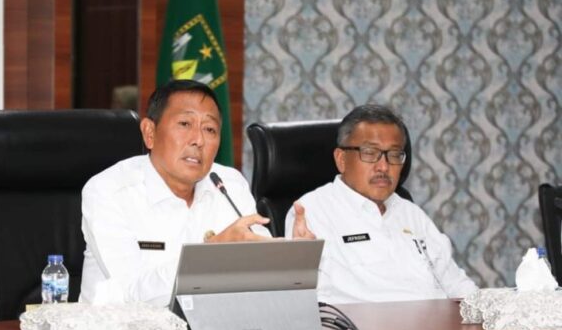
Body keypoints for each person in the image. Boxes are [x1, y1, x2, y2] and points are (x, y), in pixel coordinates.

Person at [80, 79, 312, 307]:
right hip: (125, 329)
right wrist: (212, 255)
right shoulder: (108, 191)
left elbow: (261, 269)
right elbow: (131, 293)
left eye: (209, 129)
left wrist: (292, 259)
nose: (198, 140)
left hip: (214, 326)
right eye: (184, 124)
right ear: (150, 133)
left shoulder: (229, 185)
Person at [285, 105, 478, 304]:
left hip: (438, 321)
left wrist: (489, 310)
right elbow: (307, 304)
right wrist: (299, 267)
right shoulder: (313, 212)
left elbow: (458, 285)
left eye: (394, 154)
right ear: (341, 159)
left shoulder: (411, 213)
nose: (384, 167)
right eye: (370, 152)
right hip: (363, 324)